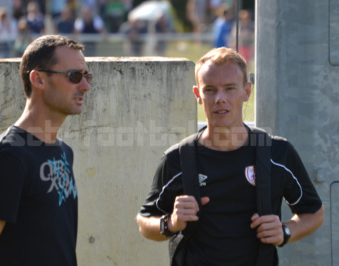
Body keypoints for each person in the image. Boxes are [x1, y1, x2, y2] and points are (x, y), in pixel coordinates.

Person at [136, 47, 324, 265]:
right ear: (198, 95)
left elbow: (314, 213)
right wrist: (170, 223)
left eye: (230, 88)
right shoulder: (178, 158)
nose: (220, 99)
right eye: (210, 90)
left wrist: (285, 231)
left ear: (247, 91)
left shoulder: (276, 152)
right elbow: (144, 222)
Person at [0, 35, 91, 266]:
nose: (85, 86)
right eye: (74, 76)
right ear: (38, 79)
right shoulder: (9, 156)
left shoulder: (64, 151)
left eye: (86, 76)